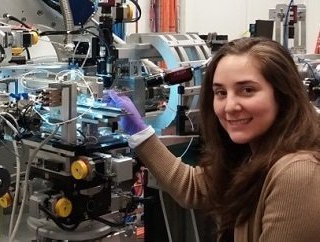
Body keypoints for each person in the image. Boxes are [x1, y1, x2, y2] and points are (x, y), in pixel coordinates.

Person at [106, 37, 320, 242]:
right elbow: (190, 187)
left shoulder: (298, 174)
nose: (230, 107)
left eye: (247, 90)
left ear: (282, 94)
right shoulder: (251, 153)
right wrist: (138, 130)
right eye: (221, 92)